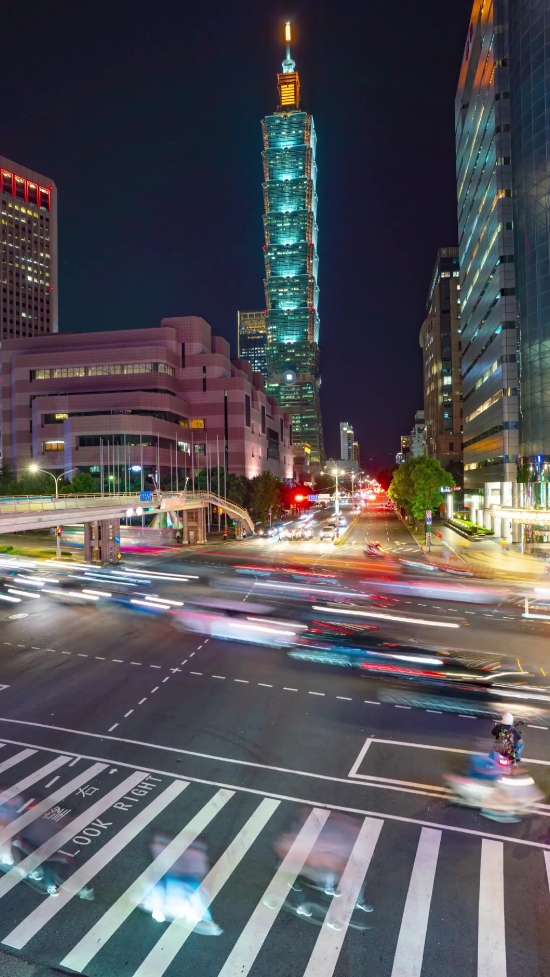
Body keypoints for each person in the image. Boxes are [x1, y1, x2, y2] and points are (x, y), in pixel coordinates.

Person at [147, 834, 222, 934]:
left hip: (182, 880)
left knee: (185, 865)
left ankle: (192, 847)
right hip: (183, 880)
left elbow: (158, 888)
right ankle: (167, 844)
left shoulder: (189, 910)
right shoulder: (190, 910)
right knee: (184, 865)